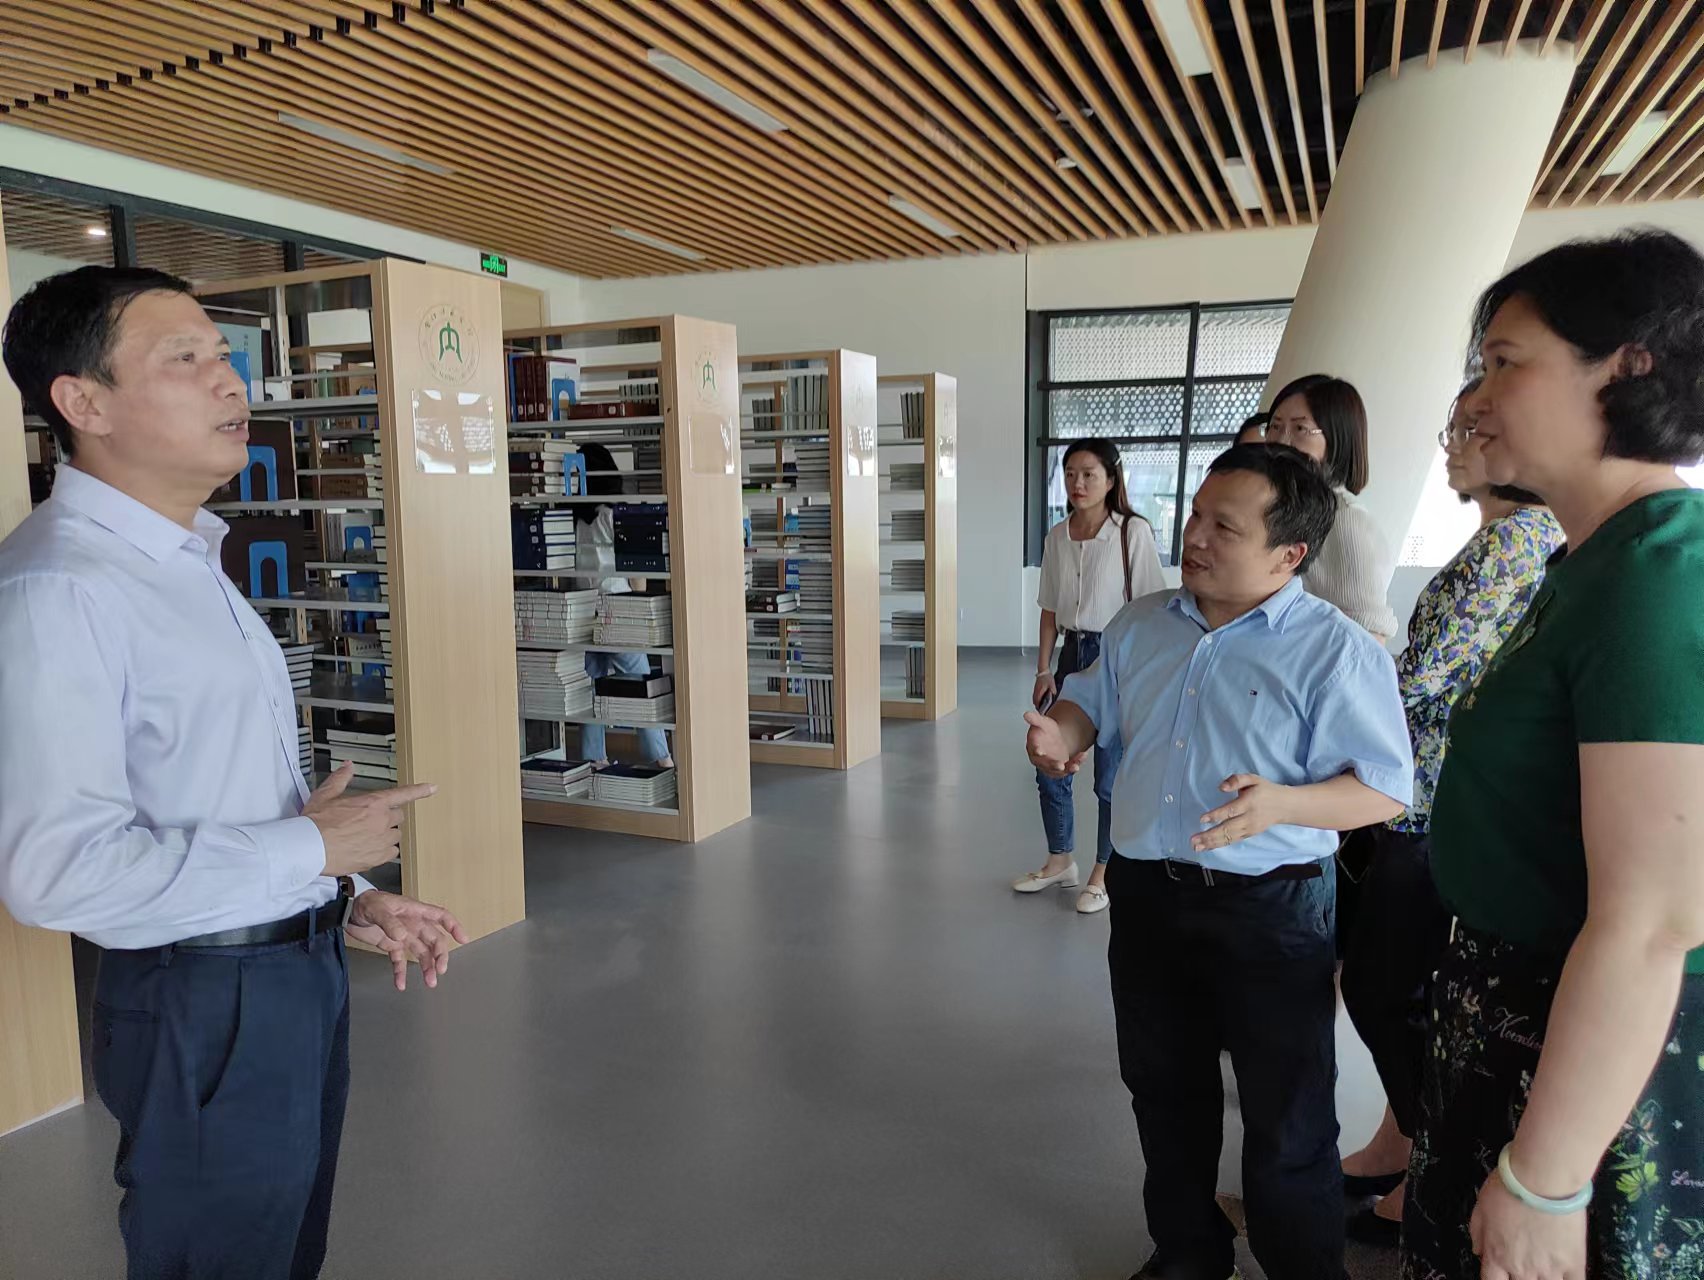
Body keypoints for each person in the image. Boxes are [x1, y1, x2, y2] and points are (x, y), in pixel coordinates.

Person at [0, 266, 466, 1280]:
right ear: (82, 402)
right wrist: (306, 850)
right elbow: (56, 874)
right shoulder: (60, 589)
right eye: (186, 359)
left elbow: (215, 796)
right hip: (200, 998)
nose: (231, 381)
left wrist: (340, 889)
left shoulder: (185, 560)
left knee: (281, 1252)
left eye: (223, 354)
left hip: (289, 973)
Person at [1025, 444, 1413, 1280]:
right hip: (1148, 896)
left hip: (1269, 910)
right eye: (1196, 515)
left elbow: (1384, 788)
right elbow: (1089, 706)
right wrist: (1062, 734)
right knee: (1164, 1093)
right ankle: (1188, 1253)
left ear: (1288, 554)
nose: (1194, 536)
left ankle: (1303, 1268)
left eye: (1223, 527)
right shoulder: (1141, 625)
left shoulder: (1337, 652)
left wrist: (1285, 804)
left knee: (1288, 1115)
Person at [1403, 230, 1704, 1280]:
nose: (1477, 398)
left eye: (1505, 361)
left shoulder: (1658, 576)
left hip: (1586, 1062)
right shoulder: (1591, 561)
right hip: (1519, 1019)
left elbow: (1653, 918)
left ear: (1627, 365)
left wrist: (1546, 1179)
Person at [1337, 379, 1563, 1247]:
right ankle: (1400, 1147)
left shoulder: (1514, 542)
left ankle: (1427, 1161)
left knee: (1382, 989)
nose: (1453, 445)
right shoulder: (1509, 538)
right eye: (1454, 428)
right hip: (1426, 797)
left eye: (1472, 428)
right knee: (1400, 987)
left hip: (1427, 806)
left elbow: (1415, 682)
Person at [1015, 439, 1163, 914]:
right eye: (1070, 474)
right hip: (1071, 653)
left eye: (1089, 474)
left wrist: (1142, 673)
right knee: (1049, 761)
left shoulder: (1132, 532)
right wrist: (1044, 667)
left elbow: (1151, 608)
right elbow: (1049, 609)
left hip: (1117, 654)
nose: (1077, 483)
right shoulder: (1057, 536)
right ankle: (1060, 859)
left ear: (1111, 479)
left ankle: (1103, 871)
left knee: (1109, 775)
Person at [1264, 374, 1398, 641]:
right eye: (1275, 427)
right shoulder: (1288, 507)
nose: (1281, 441)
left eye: (1300, 429)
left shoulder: (1343, 519)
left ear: (1337, 440)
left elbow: (1368, 636)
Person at [574, 441, 672, 769]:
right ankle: (660, 757)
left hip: (582, 608)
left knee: (592, 686)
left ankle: (594, 758)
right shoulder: (615, 515)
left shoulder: (574, 516)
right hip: (618, 608)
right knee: (641, 682)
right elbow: (635, 572)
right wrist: (640, 608)